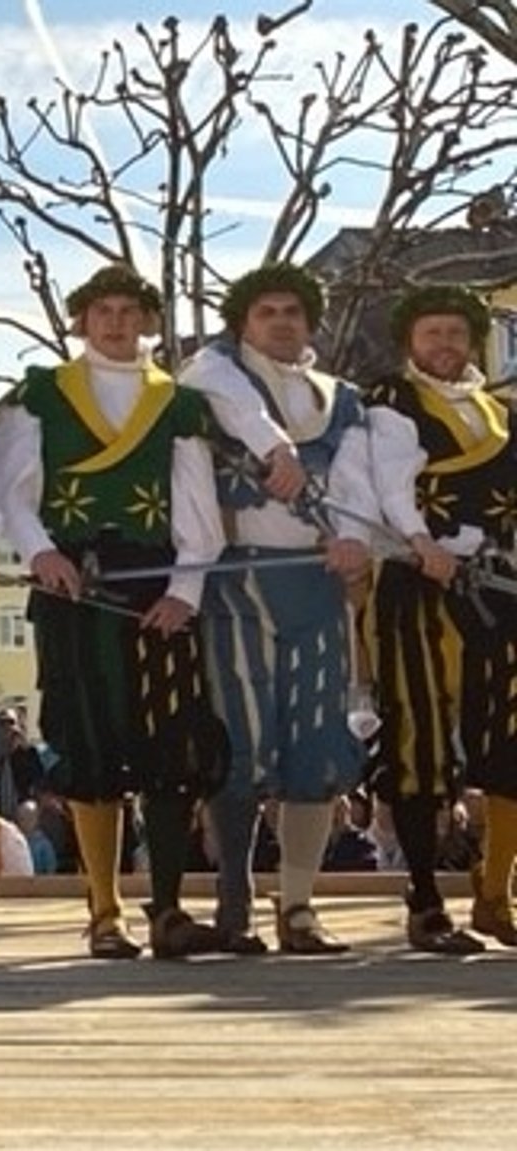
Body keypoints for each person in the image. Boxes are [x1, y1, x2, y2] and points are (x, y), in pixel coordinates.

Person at [0, 264, 229, 960]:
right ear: (82, 319)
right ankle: (104, 908)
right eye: (103, 310)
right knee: (89, 744)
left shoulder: (176, 402)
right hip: (72, 583)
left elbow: (199, 511)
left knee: (170, 748)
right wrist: (40, 552)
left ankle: (167, 906)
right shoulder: (44, 393)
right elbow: (16, 490)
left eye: (130, 311)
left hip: (155, 587)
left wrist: (184, 592)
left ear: (148, 322)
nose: (117, 323)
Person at [180, 263, 376, 955]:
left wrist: (355, 536)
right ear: (244, 322)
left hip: (315, 583)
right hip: (239, 580)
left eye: (293, 311)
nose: (283, 322)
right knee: (239, 738)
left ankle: (298, 904)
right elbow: (228, 399)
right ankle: (235, 897)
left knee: (316, 745)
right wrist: (275, 444)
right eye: (267, 311)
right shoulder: (215, 372)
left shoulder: (341, 397)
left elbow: (355, 479)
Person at [361, 285, 517, 954]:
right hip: (417, 589)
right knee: (418, 744)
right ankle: (425, 898)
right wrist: (421, 542)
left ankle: (494, 890)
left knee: (512, 740)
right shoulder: (393, 402)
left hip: (497, 592)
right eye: (433, 333)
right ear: (410, 342)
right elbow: (392, 484)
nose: (446, 344)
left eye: (457, 332)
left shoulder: (499, 412)